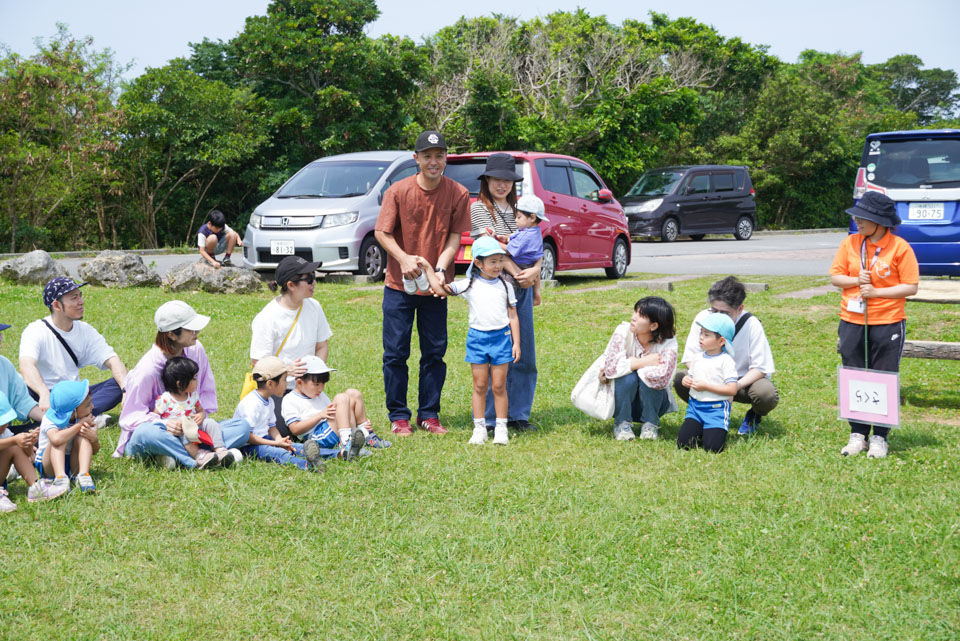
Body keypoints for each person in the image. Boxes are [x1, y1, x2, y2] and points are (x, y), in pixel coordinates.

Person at [374, 130, 471, 436]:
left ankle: (428, 414)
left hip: (435, 288)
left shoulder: (458, 193)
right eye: (427, 156)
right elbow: (382, 232)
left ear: (446, 159)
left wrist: (441, 269)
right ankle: (399, 415)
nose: (434, 161)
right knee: (395, 352)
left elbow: (455, 236)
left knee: (434, 352)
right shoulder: (397, 192)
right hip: (398, 285)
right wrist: (403, 258)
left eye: (439, 155)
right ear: (416, 159)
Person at [829, 191, 918, 459]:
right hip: (851, 319)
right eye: (857, 216)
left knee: (883, 377)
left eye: (863, 217)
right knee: (854, 374)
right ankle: (857, 434)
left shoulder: (900, 247)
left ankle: (880, 436)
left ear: (881, 222)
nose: (858, 221)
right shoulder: (850, 243)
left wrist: (877, 293)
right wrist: (857, 279)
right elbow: (835, 277)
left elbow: (911, 286)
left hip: (887, 321)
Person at [114, 301, 249, 468]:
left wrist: (200, 415)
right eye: (191, 329)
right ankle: (195, 459)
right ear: (171, 334)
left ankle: (176, 456)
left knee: (241, 427)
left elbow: (205, 391)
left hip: (191, 429)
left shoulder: (196, 349)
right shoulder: (147, 370)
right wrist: (165, 423)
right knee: (146, 434)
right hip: (161, 432)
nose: (197, 332)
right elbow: (130, 418)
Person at [468, 153, 542, 432]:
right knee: (494, 351)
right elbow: (491, 247)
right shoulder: (479, 209)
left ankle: (518, 414)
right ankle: (489, 418)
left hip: (522, 284)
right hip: (494, 287)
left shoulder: (522, 208)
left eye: (508, 180)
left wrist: (536, 270)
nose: (502, 185)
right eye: (497, 179)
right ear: (486, 180)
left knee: (524, 353)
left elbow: (535, 243)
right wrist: (518, 272)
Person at [424, 236, 519, 445]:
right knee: (479, 385)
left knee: (499, 386)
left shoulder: (506, 285)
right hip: (477, 339)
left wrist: (517, 343)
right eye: (492, 261)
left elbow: (513, 315)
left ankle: (501, 428)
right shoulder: (469, 284)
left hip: (502, 339)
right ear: (478, 262)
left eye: (500, 260)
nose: (498, 266)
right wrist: (429, 270)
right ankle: (479, 429)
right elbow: (441, 290)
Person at [673, 276, 778, 435]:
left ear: (740, 309)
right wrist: (707, 378)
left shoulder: (751, 324)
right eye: (714, 311)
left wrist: (734, 386)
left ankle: (754, 415)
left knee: (766, 394)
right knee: (682, 379)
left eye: (725, 313)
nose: (718, 316)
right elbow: (690, 357)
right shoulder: (703, 318)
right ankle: (703, 413)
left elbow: (761, 368)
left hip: (742, 382)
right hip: (709, 378)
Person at [19, 277, 127, 424]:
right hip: (44, 395)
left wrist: (126, 391)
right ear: (57, 305)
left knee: (124, 381)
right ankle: (85, 417)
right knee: (23, 389)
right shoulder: (35, 330)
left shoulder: (85, 330)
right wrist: (43, 393)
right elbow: (26, 365)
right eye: (74, 298)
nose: (81, 301)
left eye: (80, 295)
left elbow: (113, 360)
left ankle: (73, 417)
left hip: (76, 396)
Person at [250, 255, 332, 437]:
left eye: (314, 276)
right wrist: (286, 370)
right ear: (291, 285)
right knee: (284, 431)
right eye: (309, 279)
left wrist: (314, 375)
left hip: (308, 386)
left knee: (330, 418)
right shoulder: (268, 317)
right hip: (279, 390)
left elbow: (322, 345)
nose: (314, 283)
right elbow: (258, 363)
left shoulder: (314, 307)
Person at [598, 297, 678, 441]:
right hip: (621, 399)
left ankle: (650, 423)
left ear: (653, 326)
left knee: (647, 379)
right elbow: (610, 367)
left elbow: (662, 377)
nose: (633, 317)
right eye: (635, 311)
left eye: (640, 315)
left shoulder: (669, 342)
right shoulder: (623, 331)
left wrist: (629, 364)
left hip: (654, 402)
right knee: (628, 378)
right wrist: (643, 362)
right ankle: (622, 423)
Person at [234, 356, 334, 472]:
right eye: (284, 380)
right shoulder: (252, 404)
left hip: (265, 439)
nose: (286, 384)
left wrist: (281, 441)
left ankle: (340, 454)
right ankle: (308, 466)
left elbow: (272, 428)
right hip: (248, 446)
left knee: (297, 447)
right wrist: (275, 443)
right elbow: (248, 437)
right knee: (279, 453)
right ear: (270, 384)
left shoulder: (269, 400)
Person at [281, 355, 378, 461]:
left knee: (353, 393)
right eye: (316, 384)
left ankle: (365, 433)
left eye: (323, 384)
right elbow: (295, 429)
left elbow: (338, 412)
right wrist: (319, 416)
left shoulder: (319, 394)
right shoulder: (290, 400)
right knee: (341, 398)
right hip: (317, 436)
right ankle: (346, 444)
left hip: (331, 429)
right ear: (299, 382)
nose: (321, 388)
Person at [155, 356, 235, 469]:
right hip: (178, 432)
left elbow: (201, 410)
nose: (197, 381)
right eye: (193, 378)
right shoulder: (165, 399)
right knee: (184, 433)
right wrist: (168, 423)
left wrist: (201, 415)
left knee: (211, 422)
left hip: (194, 427)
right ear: (179, 383)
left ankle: (220, 449)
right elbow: (154, 417)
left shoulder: (193, 396)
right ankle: (199, 455)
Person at [676, 314, 739, 453]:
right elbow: (691, 376)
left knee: (713, 448)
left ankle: (712, 430)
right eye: (701, 333)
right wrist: (686, 380)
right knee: (683, 444)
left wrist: (706, 387)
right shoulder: (697, 358)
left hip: (716, 409)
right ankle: (701, 430)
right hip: (695, 408)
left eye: (706, 335)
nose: (701, 337)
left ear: (721, 341)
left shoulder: (726, 361)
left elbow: (732, 390)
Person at [0, 392, 67, 511]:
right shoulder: (9, 437)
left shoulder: (5, 433)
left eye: (5, 421)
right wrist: (14, 440)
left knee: (15, 448)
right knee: (13, 444)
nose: (5, 425)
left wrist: (29, 443)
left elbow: (26, 455)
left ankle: (36, 488)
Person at [34, 379, 99, 493]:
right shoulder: (50, 419)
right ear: (73, 411)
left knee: (83, 436)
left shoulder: (86, 418)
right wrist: (79, 425)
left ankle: (83, 475)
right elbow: (56, 439)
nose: (92, 407)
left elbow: (95, 451)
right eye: (88, 405)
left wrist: (94, 439)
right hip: (49, 464)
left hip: (71, 460)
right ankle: (60, 478)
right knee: (60, 438)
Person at [492, 194, 548, 307]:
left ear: (532, 218)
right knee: (536, 274)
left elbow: (509, 251)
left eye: (518, 217)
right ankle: (536, 292)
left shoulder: (526, 235)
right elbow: (515, 236)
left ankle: (509, 300)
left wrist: (494, 243)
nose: (515, 220)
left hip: (521, 265)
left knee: (503, 259)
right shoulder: (533, 230)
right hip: (532, 264)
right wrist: (506, 238)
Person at [0, 322, 45, 434]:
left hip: (5, 433)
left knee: (48, 431)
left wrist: (49, 421)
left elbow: (22, 401)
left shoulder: (4, 364)